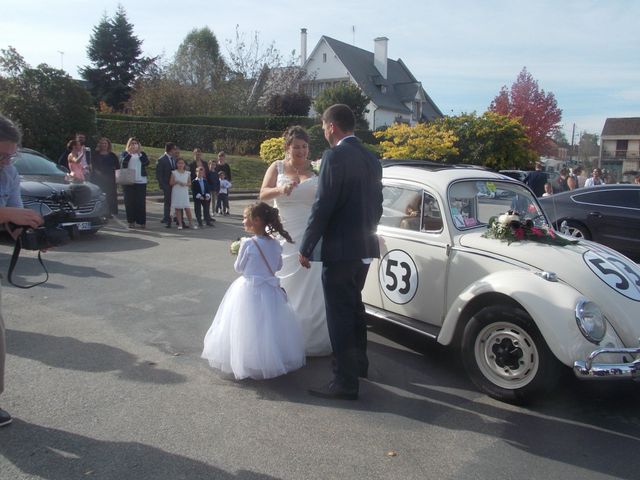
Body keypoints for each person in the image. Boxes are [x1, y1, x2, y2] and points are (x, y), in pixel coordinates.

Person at [299, 104, 383, 400]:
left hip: (340, 250)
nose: (323, 131)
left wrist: (307, 245)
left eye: (323, 126)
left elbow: (324, 205)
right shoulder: (373, 158)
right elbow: (377, 205)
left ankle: (344, 382)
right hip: (364, 248)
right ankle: (359, 365)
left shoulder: (334, 156)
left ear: (332, 127)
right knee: (355, 306)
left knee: (339, 316)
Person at [202, 202, 305, 380]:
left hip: (249, 288)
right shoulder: (275, 244)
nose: (243, 221)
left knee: (245, 325)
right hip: (270, 289)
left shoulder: (248, 243)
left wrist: (237, 251)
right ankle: (269, 359)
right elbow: (278, 266)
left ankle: (247, 359)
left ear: (256, 220)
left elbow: (239, 268)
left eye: (244, 217)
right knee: (269, 325)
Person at [259, 125, 331, 356]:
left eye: (304, 147)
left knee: (311, 289)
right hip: (283, 233)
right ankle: (280, 337)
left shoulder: (318, 171)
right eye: (296, 147)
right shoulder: (277, 166)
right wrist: (280, 189)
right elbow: (262, 193)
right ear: (287, 148)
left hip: (309, 236)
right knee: (282, 285)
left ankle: (310, 340)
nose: (301, 151)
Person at [0, 114, 45, 427]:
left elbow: (12, 223)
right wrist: (9, 212)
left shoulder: (10, 174)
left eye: (10, 155)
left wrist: (33, 235)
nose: (5, 161)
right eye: (0, 155)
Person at [120, 137, 149, 229]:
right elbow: (123, 164)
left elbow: (146, 163)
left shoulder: (142, 154)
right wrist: (129, 154)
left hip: (141, 180)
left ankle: (141, 221)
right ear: (129, 145)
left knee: (140, 202)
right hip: (128, 180)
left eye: (135, 143)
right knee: (129, 202)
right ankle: (131, 221)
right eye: (132, 143)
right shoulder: (125, 153)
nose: (134, 145)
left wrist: (139, 153)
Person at [92, 137, 119, 217]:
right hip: (98, 179)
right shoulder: (95, 155)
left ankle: (109, 212)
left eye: (105, 143)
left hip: (110, 179)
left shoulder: (112, 155)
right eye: (102, 143)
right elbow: (93, 166)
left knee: (110, 196)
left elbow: (117, 167)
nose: (104, 145)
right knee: (100, 196)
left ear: (108, 145)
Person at [156, 142, 179, 226]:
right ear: (171, 149)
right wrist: (163, 186)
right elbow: (159, 175)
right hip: (167, 185)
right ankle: (166, 218)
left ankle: (177, 218)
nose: (175, 151)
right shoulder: (161, 159)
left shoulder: (174, 159)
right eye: (174, 149)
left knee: (176, 201)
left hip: (175, 184)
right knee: (168, 202)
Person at [170, 157, 196, 230]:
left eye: (182, 163)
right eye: (179, 163)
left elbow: (190, 183)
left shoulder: (187, 173)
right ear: (176, 164)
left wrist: (185, 184)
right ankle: (180, 224)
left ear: (184, 164)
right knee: (178, 208)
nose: (180, 165)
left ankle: (191, 223)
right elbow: (171, 183)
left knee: (187, 208)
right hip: (176, 191)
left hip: (184, 192)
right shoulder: (174, 172)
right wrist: (177, 182)